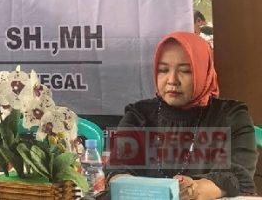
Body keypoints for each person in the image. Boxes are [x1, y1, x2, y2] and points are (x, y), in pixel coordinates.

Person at [108, 32, 257, 199]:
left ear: (204, 72)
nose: (172, 80)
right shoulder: (138, 115)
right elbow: (118, 171)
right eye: (163, 70)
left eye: (186, 71)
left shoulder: (231, 116)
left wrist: (195, 189)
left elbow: (238, 176)